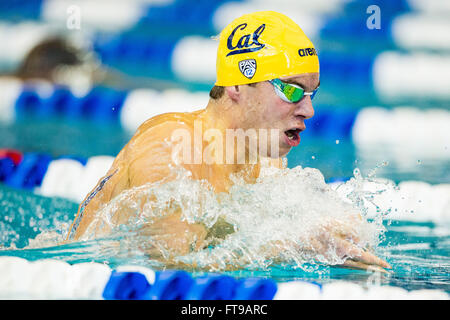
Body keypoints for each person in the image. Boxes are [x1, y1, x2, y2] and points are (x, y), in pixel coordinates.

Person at [66, 11, 391, 272]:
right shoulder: (173, 150)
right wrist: (290, 246)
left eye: (311, 93)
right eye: (291, 90)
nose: (308, 109)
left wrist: (334, 233)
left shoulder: (264, 158)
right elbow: (170, 270)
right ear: (237, 84)